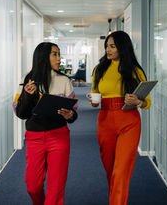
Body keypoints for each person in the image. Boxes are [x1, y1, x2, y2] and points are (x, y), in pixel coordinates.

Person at [88, 31, 151, 205]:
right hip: (105, 119)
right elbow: (95, 96)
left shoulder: (135, 70)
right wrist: (93, 102)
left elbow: (148, 103)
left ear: (122, 47)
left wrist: (139, 101)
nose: (108, 50)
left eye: (112, 46)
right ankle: (116, 199)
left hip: (129, 121)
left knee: (120, 171)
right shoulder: (99, 69)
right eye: (107, 46)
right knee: (110, 169)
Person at [12, 42, 78, 205]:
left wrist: (70, 114)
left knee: (55, 189)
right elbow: (20, 113)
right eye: (54, 54)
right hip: (35, 138)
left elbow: (74, 111)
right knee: (33, 187)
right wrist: (27, 95)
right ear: (43, 57)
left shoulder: (64, 80)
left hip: (59, 137)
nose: (59, 58)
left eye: (59, 54)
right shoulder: (26, 80)